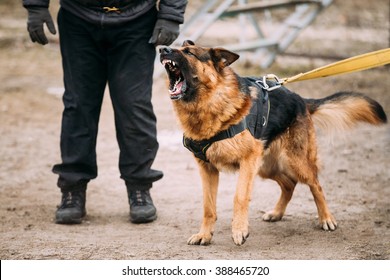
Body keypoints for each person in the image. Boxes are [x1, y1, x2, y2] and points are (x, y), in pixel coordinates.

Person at [23, 0, 188, 224]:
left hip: (136, 22)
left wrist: (170, 15)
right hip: (78, 19)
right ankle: (73, 190)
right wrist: (36, 6)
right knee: (78, 105)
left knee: (134, 106)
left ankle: (139, 188)